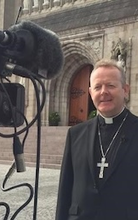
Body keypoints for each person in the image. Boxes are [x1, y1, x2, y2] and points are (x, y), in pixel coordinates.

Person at [55, 58, 138, 220]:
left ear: (125, 90)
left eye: (111, 85)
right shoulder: (75, 134)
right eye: (98, 87)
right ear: (91, 92)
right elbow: (65, 190)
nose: (103, 92)